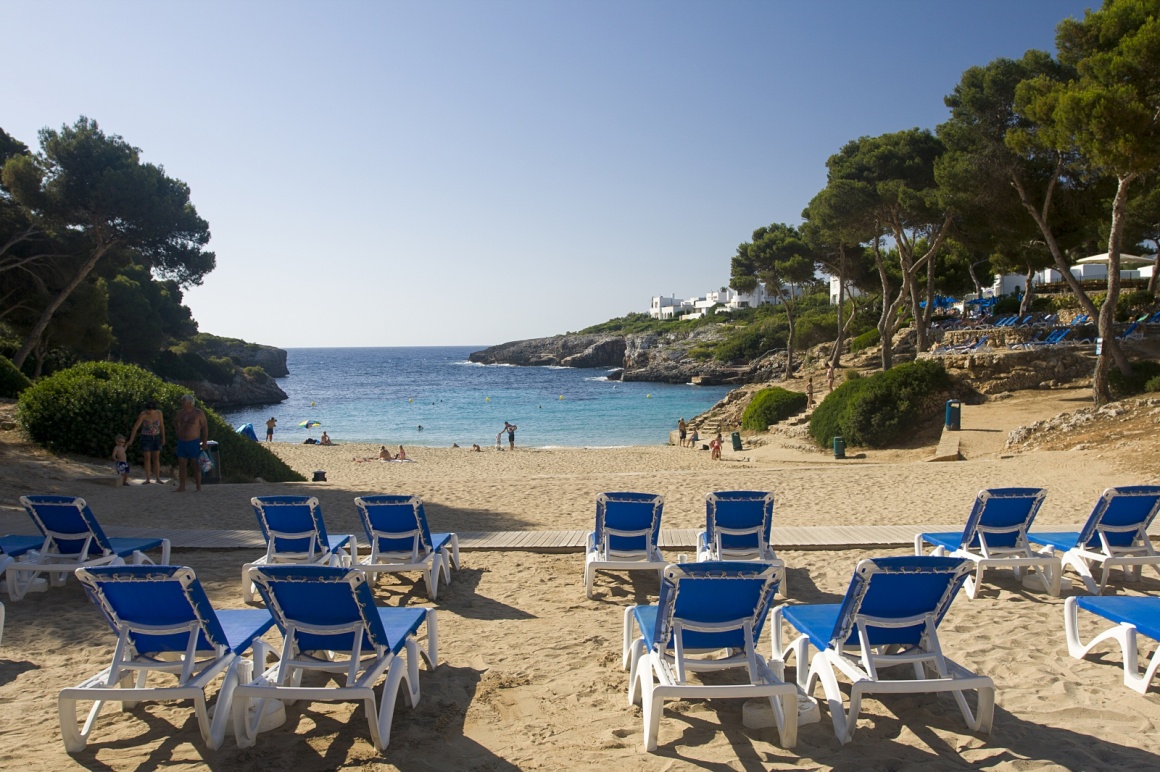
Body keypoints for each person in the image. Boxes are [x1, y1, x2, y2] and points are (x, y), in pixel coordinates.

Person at [173, 394, 208, 492]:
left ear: (189, 403)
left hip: (193, 442)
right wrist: (177, 431)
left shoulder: (198, 413)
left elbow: (204, 427)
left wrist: (204, 441)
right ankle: (182, 486)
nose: (181, 403)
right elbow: (175, 422)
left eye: (183, 401)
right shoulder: (181, 413)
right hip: (182, 442)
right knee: (182, 464)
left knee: (195, 463)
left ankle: (198, 486)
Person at [127, 400, 164, 484]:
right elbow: (136, 427)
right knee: (147, 457)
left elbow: (162, 426)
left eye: (150, 409)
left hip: (156, 437)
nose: (148, 411)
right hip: (146, 437)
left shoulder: (159, 413)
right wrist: (131, 439)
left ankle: (157, 478)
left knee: (156, 458)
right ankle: (148, 478)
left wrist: (163, 437)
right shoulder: (143, 415)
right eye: (147, 409)